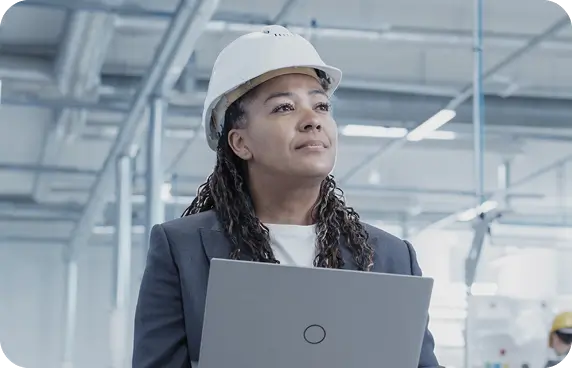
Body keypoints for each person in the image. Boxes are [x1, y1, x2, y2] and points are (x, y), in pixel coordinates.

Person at [132, 25, 440, 368]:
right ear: (240, 143)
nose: (313, 121)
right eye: (284, 108)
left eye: (321, 105)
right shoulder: (182, 250)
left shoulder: (392, 259)